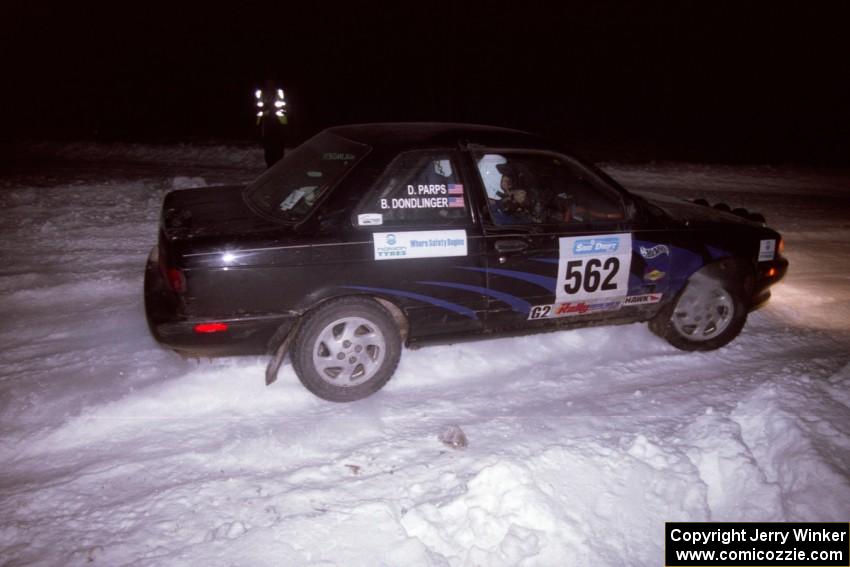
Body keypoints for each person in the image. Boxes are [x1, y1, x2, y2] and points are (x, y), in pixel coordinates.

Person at [255, 79, 289, 167]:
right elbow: (258, 106)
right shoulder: (261, 93)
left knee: (278, 147)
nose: (270, 84)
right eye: (268, 83)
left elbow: (285, 106)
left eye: (272, 83)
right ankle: (270, 166)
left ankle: (278, 166)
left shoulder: (279, 93)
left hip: (279, 123)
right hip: (267, 124)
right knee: (268, 148)